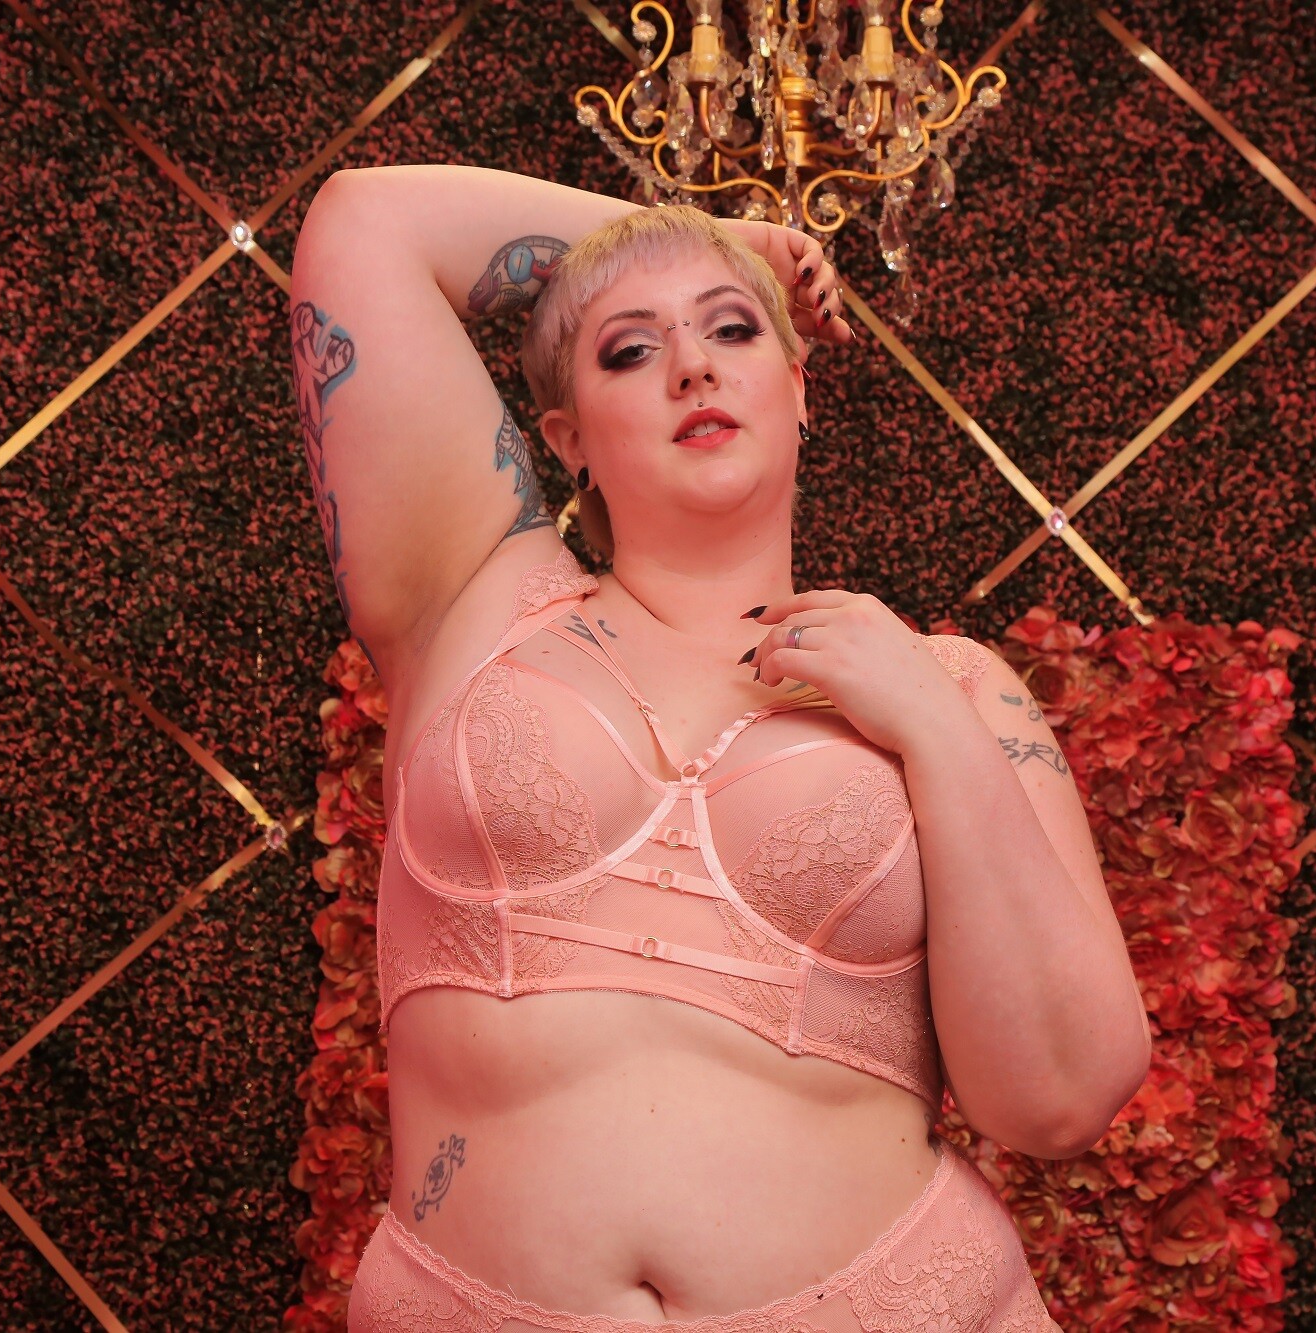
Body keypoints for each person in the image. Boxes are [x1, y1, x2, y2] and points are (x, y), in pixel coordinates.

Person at [288, 163, 1151, 1331]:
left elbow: (1058, 1101)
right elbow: (367, 223)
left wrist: (936, 732)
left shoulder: (954, 691)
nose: (691, 364)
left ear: (797, 388)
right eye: (629, 350)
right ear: (567, 437)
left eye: (733, 329)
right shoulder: (471, 599)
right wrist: (726, 246)